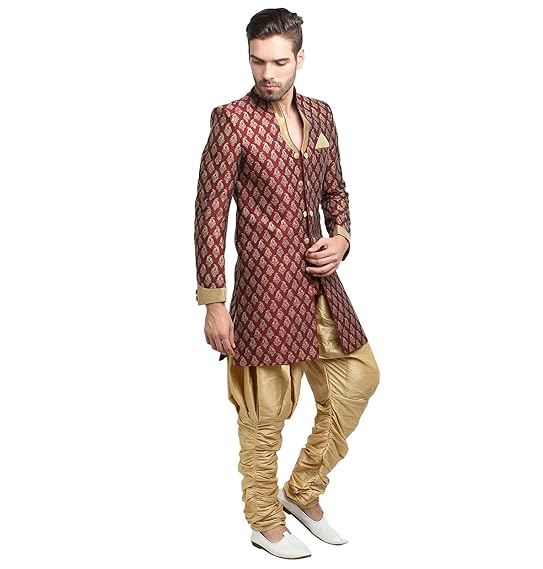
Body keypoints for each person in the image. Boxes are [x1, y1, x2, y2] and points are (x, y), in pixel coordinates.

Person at [194, 8, 380, 559]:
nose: (267, 73)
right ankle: (264, 520)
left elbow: (336, 189)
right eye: (257, 62)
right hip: (265, 291)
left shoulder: (321, 114)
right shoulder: (232, 120)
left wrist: (341, 237)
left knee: (360, 376)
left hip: (321, 284)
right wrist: (214, 302)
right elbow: (209, 215)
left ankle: (302, 490)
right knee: (264, 413)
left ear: (301, 58)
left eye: (279, 62)